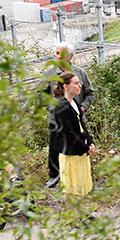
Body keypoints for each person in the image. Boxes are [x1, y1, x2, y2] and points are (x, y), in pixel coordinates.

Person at [41, 42, 95, 189]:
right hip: (56, 120)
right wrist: (54, 109)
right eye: (57, 53)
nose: (58, 56)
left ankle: (78, 176)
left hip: (76, 118)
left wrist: (83, 108)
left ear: (71, 56)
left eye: (62, 54)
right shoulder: (49, 73)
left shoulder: (80, 73)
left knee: (77, 143)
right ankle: (54, 176)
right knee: (55, 147)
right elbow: (41, 95)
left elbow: (90, 93)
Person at [53, 72, 95, 197]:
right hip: (70, 153)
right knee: (71, 189)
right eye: (76, 83)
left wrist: (90, 141)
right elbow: (68, 133)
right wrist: (85, 147)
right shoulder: (61, 107)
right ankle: (71, 216)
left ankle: (82, 214)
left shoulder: (74, 102)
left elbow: (82, 126)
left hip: (80, 151)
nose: (80, 86)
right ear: (66, 86)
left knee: (81, 186)